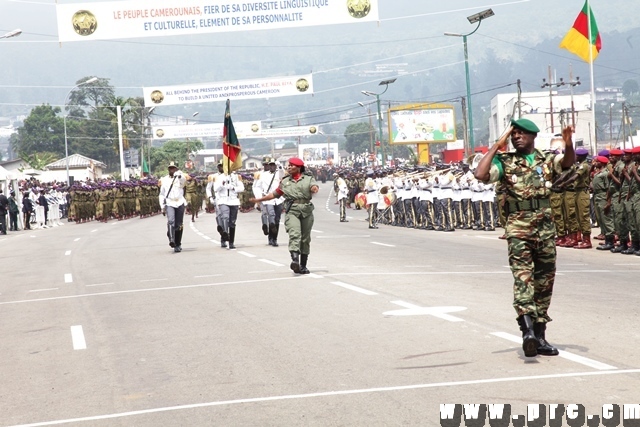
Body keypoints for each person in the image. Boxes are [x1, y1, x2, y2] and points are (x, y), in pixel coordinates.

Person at [474, 118, 575, 358]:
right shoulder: (505, 161)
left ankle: (539, 336)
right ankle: (527, 331)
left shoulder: (546, 159)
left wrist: (569, 143)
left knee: (544, 283)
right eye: (513, 134)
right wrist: (498, 144)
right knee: (523, 280)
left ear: (532, 136)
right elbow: (481, 173)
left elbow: (568, 162)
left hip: (545, 230)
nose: (516, 137)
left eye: (521, 134)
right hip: (519, 229)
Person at [249, 157, 319, 274]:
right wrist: (259, 199)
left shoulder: (308, 178)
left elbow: (313, 187)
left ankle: (303, 265)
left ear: (299, 167)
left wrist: (314, 188)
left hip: (306, 210)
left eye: (292, 165)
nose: (289, 167)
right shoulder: (285, 181)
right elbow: (275, 194)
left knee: (305, 238)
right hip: (292, 210)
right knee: (294, 234)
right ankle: (295, 261)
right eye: (289, 165)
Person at [159, 161, 187, 253]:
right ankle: (172, 240)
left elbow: (184, 183)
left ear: (176, 169)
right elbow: (162, 194)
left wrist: (179, 175)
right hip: (170, 202)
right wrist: (162, 206)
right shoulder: (164, 180)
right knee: (171, 221)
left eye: (174, 168)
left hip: (179, 202)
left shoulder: (180, 178)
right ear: (168, 169)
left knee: (179, 224)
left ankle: (178, 244)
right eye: (170, 168)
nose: (172, 170)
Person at [214, 165, 245, 250]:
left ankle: (231, 242)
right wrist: (222, 184)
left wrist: (233, 188)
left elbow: (242, 188)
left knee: (232, 222)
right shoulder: (220, 177)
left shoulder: (236, 177)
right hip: (223, 200)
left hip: (234, 200)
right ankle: (225, 233)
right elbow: (215, 189)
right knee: (225, 217)